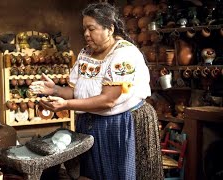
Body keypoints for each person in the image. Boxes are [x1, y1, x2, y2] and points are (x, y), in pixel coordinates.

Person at [29, 2, 163, 180]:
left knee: (117, 174)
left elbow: (108, 100)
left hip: (120, 125)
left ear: (109, 28)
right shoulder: (86, 53)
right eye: (84, 29)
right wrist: (55, 89)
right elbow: (77, 92)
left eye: (91, 29)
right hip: (92, 125)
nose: (86, 34)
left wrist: (66, 105)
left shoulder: (123, 55)